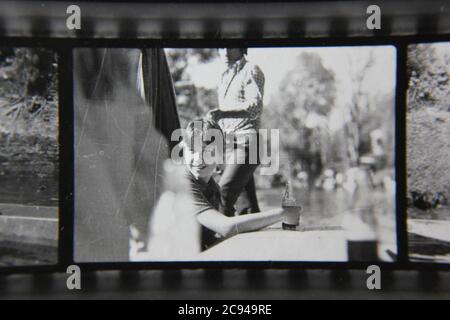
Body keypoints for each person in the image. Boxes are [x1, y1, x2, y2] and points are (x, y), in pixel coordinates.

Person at [182, 119, 301, 251]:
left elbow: (210, 241)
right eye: (192, 150)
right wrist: (282, 214)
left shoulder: (212, 188)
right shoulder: (183, 184)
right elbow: (225, 227)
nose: (198, 158)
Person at [207, 48, 265, 216]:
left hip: (248, 143)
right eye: (221, 47)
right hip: (229, 145)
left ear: (241, 47)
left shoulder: (251, 69)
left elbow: (255, 107)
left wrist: (224, 113)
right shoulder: (224, 76)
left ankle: (211, 241)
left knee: (222, 195)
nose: (225, 52)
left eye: (230, 46)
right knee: (247, 208)